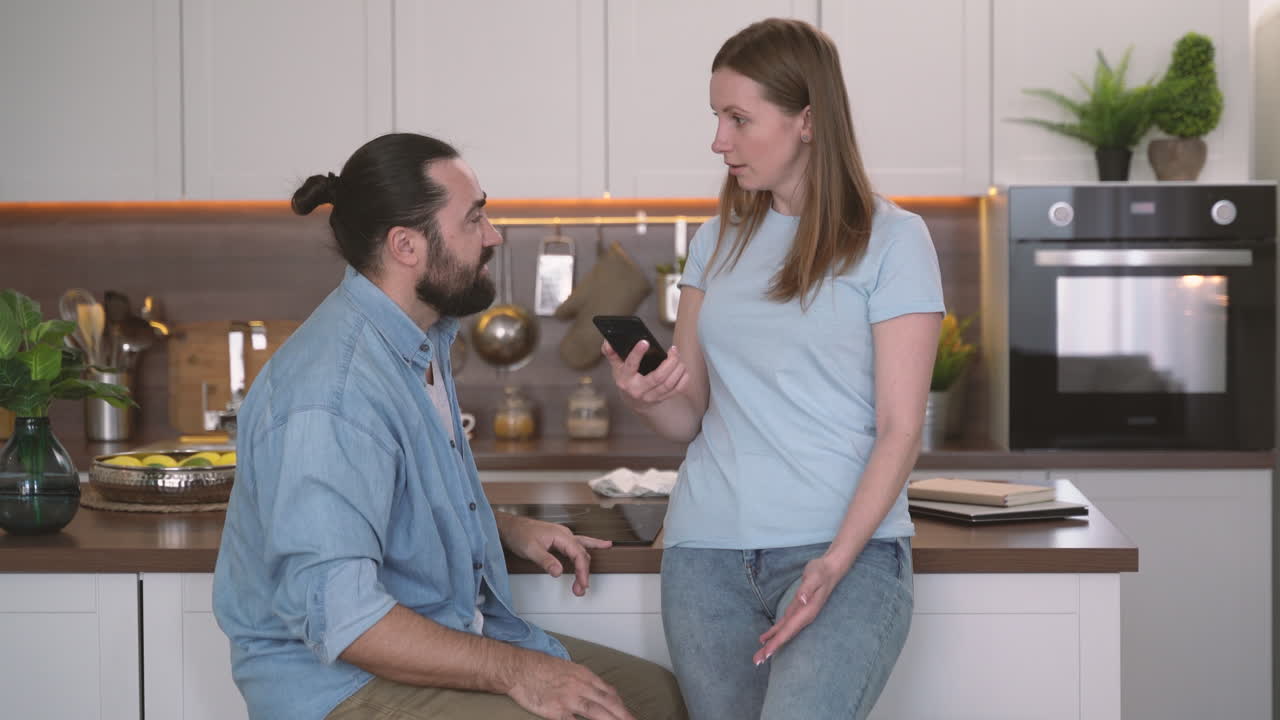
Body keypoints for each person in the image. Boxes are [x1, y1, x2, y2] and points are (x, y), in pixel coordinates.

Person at [212, 132, 687, 720]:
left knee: (656, 700)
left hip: (436, 631)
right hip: (337, 685)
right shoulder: (330, 397)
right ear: (407, 245)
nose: (494, 235)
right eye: (475, 219)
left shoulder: (419, 339)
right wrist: (521, 671)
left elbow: (392, 501)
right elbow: (345, 620)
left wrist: (503, 526)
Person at [603, 18, 944, 720]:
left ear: (808, 121)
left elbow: (900, 428)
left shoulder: (894, 241)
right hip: (706, 559)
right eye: (716, 117)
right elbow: (687, 415)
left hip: (841, 552)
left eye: (738, 118)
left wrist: (835, 562)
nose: (717, 141)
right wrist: (645, 395)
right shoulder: (717, 239)